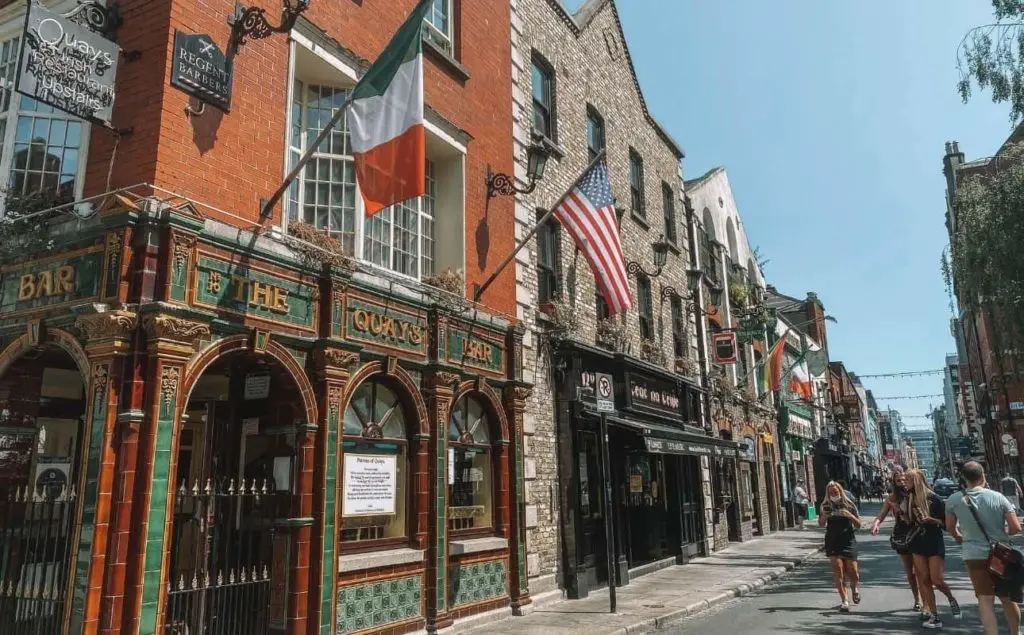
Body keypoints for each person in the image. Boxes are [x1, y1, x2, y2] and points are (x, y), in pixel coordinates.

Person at [946, 461, 1022, 635]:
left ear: (964, 478)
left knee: (985, 599)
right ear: (983, 475)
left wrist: (959, 537)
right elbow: (1016, 528)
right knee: (1008, 598)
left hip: (973, 555)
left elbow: (950, 527)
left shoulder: (954, 500)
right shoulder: (998, 497)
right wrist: (1004, 535)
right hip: (1000, 554)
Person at [906, 468, 961, 628]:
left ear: (916, 481)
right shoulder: (909, 499)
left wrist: (932, 520)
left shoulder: (933, 499)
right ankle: (934, 615)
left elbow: (947, 524)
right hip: (917, 543)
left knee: (937, 579)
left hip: (933, 542)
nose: (906, 483)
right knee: (923, 579)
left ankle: (951, 597)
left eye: (909, 480)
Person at [870, 467, 921, 612]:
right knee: (910, 571)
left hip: (917, 531)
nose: (902, 482)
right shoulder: (892, 498)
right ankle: (917, 598)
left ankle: (925, 599)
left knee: (920, 569)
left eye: (904, 479)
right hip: (902, 534)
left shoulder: (916, 493)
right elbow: (882, 513)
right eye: (899, 480)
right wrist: (875, 524)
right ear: (894, 482)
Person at [819, 481, 861, 613]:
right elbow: (821, 524)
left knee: (853, 572)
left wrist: (849, 515)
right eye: (831, 493)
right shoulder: (825, 505)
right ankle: (844, 600)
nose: (833, 494)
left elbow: (859, 524)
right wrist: (825, 515)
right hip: (832, 540)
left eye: (835, 492)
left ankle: (854, 588)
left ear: (840, 491)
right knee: (838, 571)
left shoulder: (849, 504)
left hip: (848, 539)